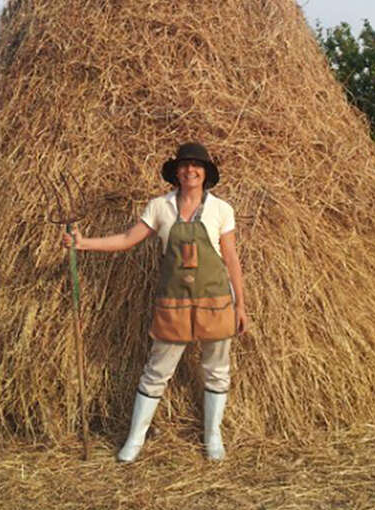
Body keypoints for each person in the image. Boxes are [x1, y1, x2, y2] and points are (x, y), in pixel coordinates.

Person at [62, 142, 248, 462]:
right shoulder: (159, 207)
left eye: (197, 166)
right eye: (185, 165)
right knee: (157, 370)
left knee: (217, 369)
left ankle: (212, 437)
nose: (191, 170)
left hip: (216, 299)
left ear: (205, 173)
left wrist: (241, 304)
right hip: (174, 300)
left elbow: (231, 258)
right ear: (176, 172)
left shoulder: (221, 209)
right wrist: (83, 243)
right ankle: (135, 440)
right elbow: (127, 239)